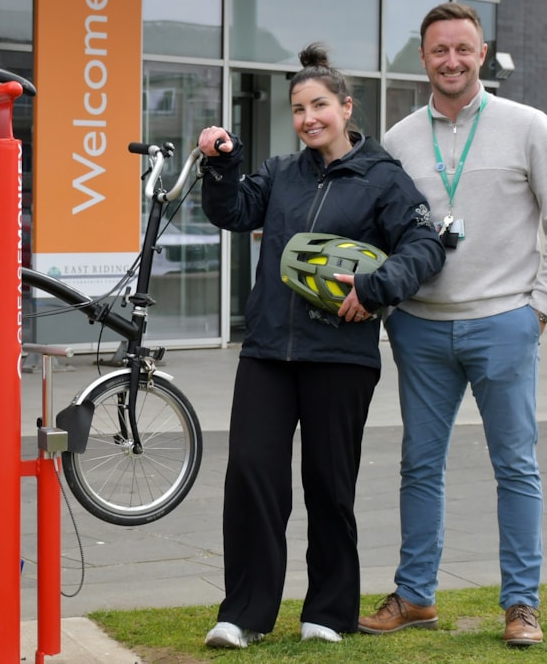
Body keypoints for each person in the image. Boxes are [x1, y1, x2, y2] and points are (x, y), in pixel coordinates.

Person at [196, 43, 445, 649]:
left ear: (345, 106)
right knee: (252, 477)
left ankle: (328, 612)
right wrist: (222, 164)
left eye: (320, 105)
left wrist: (375, 285)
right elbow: (232, 211)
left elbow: (425, 247)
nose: (309, 118)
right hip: (266, 354)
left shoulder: (383, 178)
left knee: (330, 485)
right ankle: (244, 614)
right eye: (299, 108)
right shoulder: (282, 173)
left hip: (340, 355)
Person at [357, 2, 547, 647]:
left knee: (515, 466)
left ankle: (521, 605)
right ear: (423, 58)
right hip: (421, 329)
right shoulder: (400, 140)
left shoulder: (528, 126)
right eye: (438, 51)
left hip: (505, 323)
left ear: (481, 53)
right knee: (418, 466)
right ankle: (415, 596)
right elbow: (382, 232)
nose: (451, 61)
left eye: (462, 49)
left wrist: (543, 307)